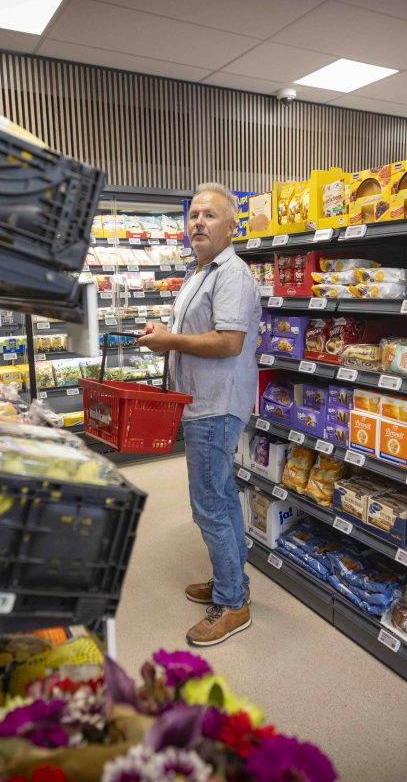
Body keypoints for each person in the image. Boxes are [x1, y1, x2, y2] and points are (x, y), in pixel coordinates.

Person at [136, 183, 260, 647]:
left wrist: (169, 341)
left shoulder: (232, 274)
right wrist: (164, 333)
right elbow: (195, 332)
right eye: (193, 216)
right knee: (222, 499)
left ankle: (232, 605)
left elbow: (229, 341)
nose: (198, 224)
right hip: (199, 402)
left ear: (232, 227)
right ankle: (232, 582)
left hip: (215, 405)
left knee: (208, 504)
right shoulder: (201, 272)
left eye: (210, 216)